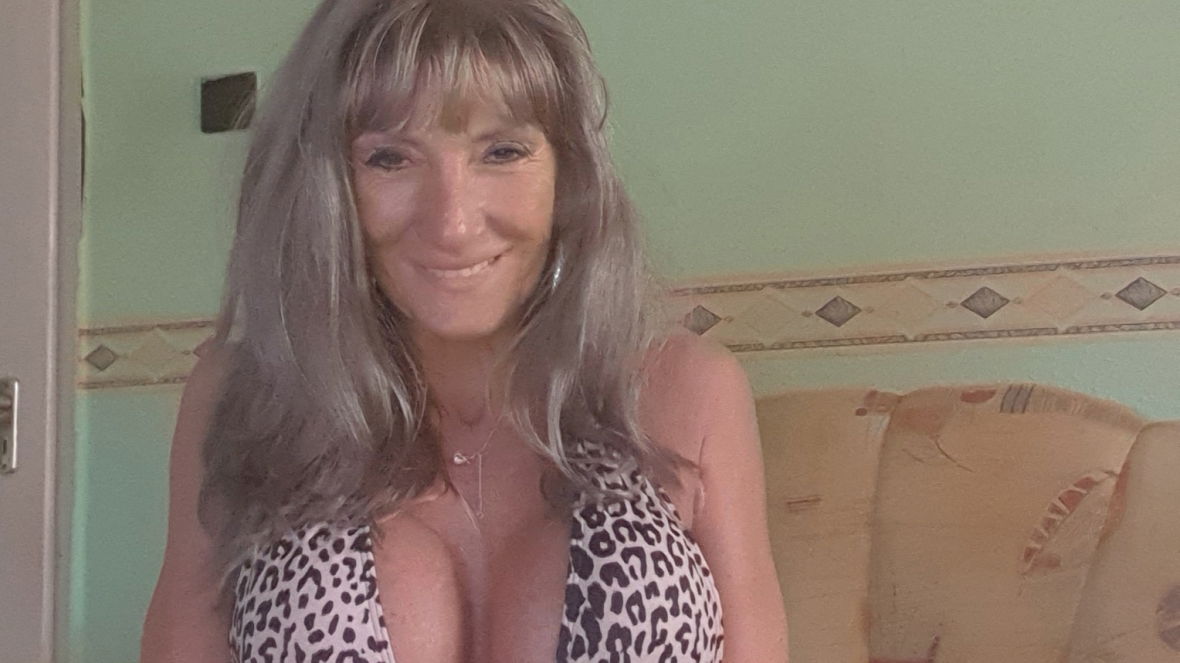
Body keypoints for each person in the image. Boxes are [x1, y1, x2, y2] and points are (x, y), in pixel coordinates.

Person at [141, 0, 788, 660]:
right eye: (390, 158)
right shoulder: (249, 399)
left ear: (569, 174)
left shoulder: (691, 393)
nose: (451, 223)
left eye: (502, 151)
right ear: (326, 184)